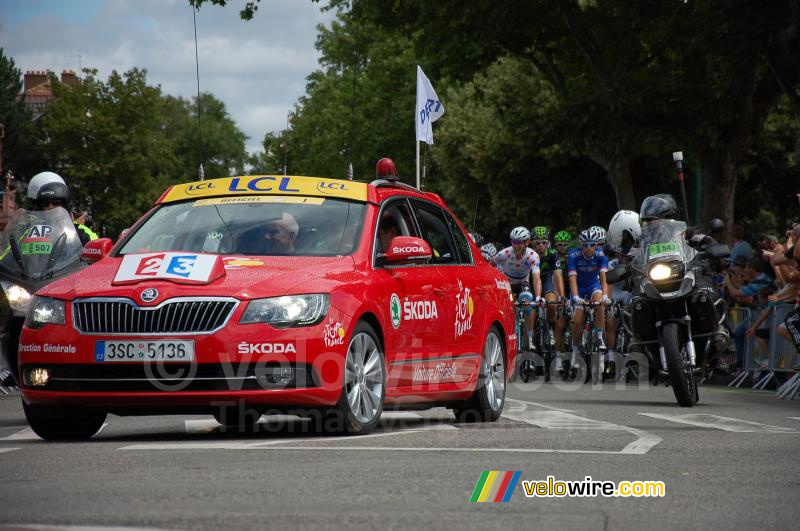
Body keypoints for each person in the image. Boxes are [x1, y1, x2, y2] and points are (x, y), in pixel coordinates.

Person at [567, 227, 610, 372]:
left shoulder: (601, 255)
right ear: (581, 245)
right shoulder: (573, 255)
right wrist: (576, 297)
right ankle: (575, 349)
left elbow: (603, 278)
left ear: (596, 245)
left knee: (599, 304)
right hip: (578, 288)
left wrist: (605, 295)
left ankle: (599, 336)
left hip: (593, 285)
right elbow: (572, 279)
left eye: (592, 245)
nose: (589, 248)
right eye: (585, 245)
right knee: (578, 320)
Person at [493, 226, 542, 347]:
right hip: (507, 282)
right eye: (514, 242)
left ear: (527, 242)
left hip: (522, 282)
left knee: (527, 300)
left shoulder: (533, 255)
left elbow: (536, 278)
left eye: (520, 242)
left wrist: (538, 297)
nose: (516, 245)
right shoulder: (504, 253)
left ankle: (529, 338)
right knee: (507, 306)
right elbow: (490, 265)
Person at [27, 171, 98, 245]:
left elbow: (97, 250)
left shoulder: (82, 233)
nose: (50, 207)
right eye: (45, 203)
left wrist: (75, 230)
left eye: (56, 202)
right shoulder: (29, 232)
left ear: (65, 204)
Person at [530, 226, 566, 369]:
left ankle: (550, 328)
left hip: (546, 283)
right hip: (531, 283)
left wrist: (562, 295)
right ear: (532, 243)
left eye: (544, 242)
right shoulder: (529, 254)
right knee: (529, 310)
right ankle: (531, 341)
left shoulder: (552, 254)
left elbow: (558, 275)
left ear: (548, 243)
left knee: (552, 303)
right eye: (537, 242)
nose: (541, 245)